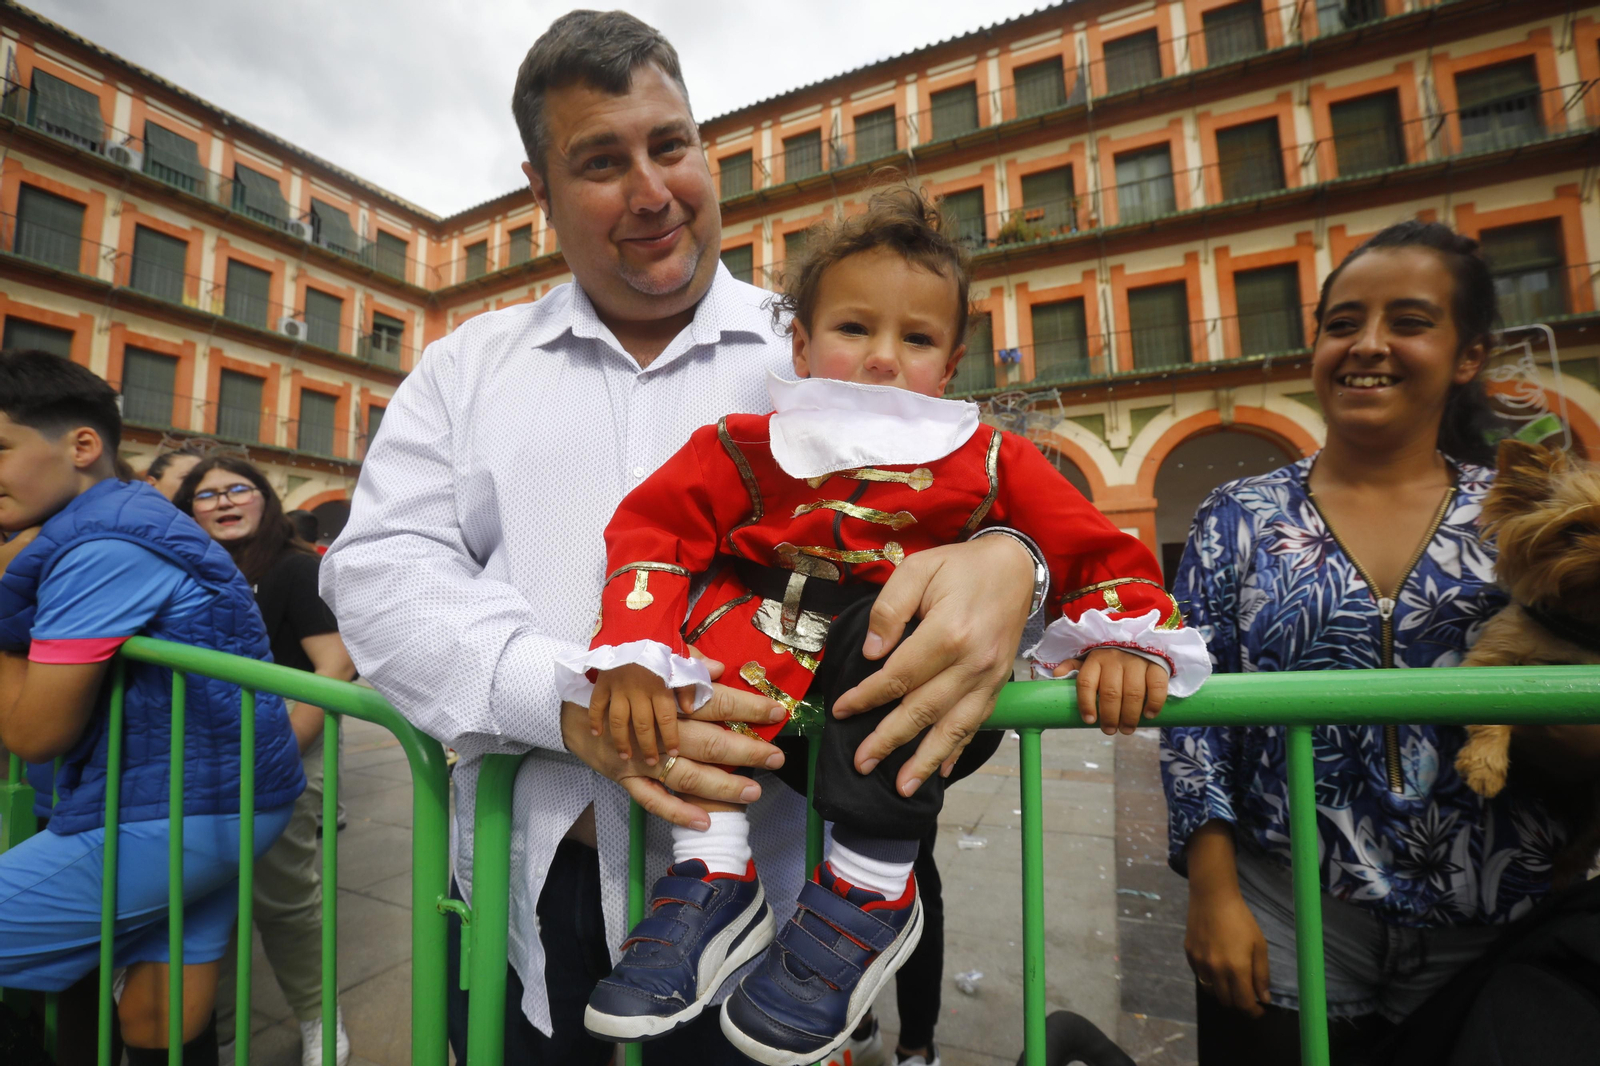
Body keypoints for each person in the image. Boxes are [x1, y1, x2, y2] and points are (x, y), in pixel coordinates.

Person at [320, 12, 1063, 1064]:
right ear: (538, 189)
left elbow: (977, 505)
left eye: (670, 145)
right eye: (600, 161)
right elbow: (382, 575)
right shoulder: (463, 369)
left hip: (787, 906)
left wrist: (1015, 565)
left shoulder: (831, 345)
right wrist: (572, 697)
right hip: (538, 883)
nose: (652, 189)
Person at [557, 184, 1211, 1064]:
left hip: (900, 702)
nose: (881, 359)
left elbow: (1097, 550)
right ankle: (712, 871)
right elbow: (653, 531)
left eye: (917, 338)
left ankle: (871, 889)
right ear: (799, 342)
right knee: (704, 600)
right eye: (855, 329)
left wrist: (1128, 639)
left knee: (898, 621)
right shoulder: (738, 447)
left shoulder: (991, 459)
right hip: (755, 689)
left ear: (951, 361)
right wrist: (634, 657)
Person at [1159, 220, 1600, 1064]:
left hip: (1498, 921)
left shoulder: (1529, 517)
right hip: (1287, 909)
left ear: (1468, 355)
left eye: (1408, 321)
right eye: (1341, 323)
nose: (1368, 345)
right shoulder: (1237, 516)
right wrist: (1211, 892)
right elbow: (1191, 712)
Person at [0, 350, 304, 1065]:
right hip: (223, 799)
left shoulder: (107, 544)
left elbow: (36, 731)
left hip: (174, 811)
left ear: (81, 445)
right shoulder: (120, 520)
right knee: (157, 1020)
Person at [175, 457, 357, 1066]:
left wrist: (283, 748)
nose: (223, 502)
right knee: (200, 899)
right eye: (206, 495)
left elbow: (334, 665)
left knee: (284, 899)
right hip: (201, 759)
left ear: (264, 499)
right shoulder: (182, 568)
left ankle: (317, 1019)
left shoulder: (293, 568)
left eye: (237, 489)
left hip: (283, 756)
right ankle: (213, 1027)